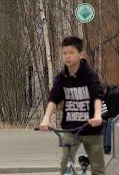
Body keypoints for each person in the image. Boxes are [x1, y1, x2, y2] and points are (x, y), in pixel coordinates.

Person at [39, 36, 105, 175]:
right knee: (65, 164)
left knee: (98, 168)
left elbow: (97, 96)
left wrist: (97, 115)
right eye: (65, 53)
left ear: (81, 54)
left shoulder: (89, 74)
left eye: (71, 52)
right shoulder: (62, 77)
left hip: (91, 127)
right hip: (71, 128)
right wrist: (46, 119)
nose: (67, 56)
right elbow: (53, 99)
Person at [103, 86, 119, 154]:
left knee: (110, 120)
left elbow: (113, 112)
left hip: (115, 115)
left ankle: (107, 145)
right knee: (105, 121)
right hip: (114, 114)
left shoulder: (113, 94)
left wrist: (102, 116)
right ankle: (105, 144)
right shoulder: (108, 95)